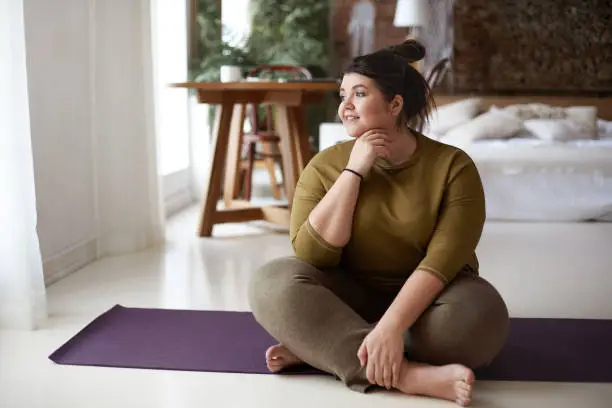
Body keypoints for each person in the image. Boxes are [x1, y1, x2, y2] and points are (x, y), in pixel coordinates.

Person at [248, 40, 509, 407]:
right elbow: (311, 253)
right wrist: (354, 170)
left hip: (431, 303)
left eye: (358, 94)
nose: (344, 107)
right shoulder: (325, 165)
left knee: (480, 320)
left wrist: (391, 327)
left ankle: (328, 349)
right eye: (342, 95)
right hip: (350, 293)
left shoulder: (454, 167)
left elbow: (442, 263)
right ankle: (406, 375)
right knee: (271, 283)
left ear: (395, 104)